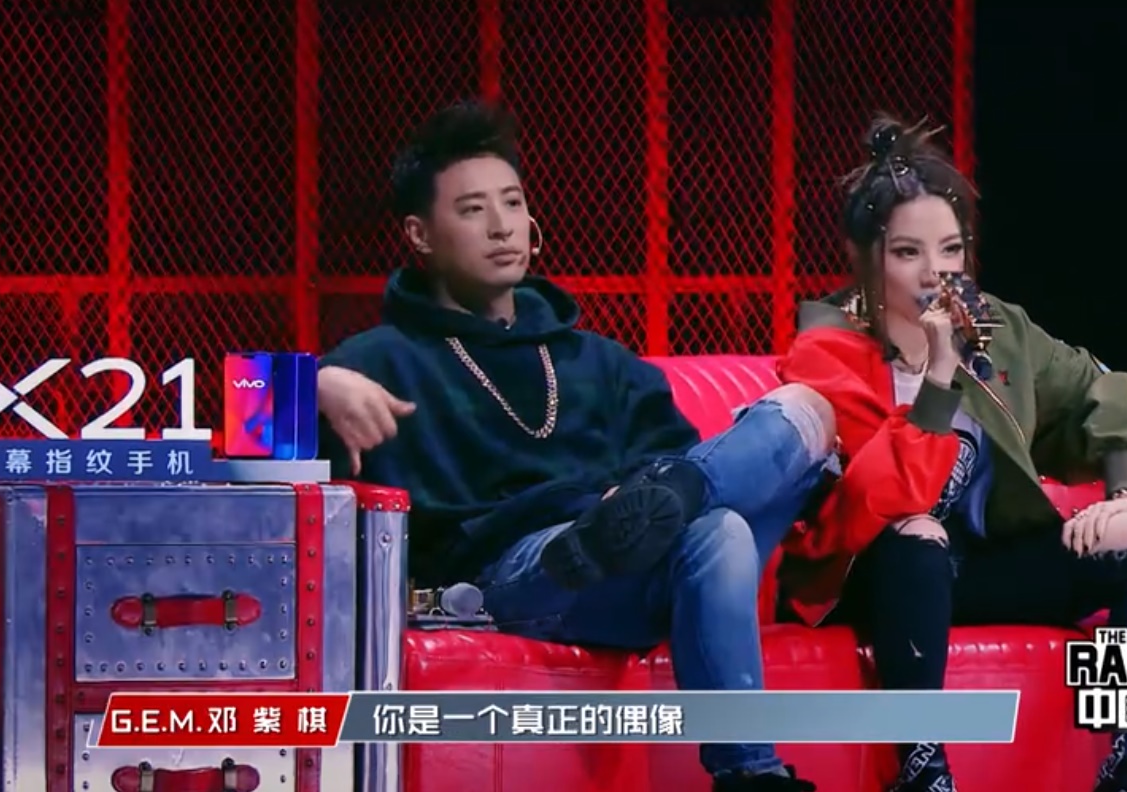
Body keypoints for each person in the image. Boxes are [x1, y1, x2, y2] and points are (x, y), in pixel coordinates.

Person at [317, 99, 835, 791]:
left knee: (795, 424)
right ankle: (747, 758)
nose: (502, 225)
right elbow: (253, 441)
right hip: (512, 575)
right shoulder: (379, 361)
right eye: (473, 209)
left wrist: (642, 495)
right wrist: (313, 384)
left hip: (639, 571)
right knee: (716, 523)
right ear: (421, 234)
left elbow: (672, 447)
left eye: (512, 202)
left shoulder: (599, 361)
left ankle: (749, 777)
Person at [774, 117, 1127, 792]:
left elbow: (1099, 387)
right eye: (908, 252)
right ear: (865, 257)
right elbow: (884, 496)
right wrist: (939, 373)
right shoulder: (830, 345)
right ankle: (921, 768)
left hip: (986, 564)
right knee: (920, 533)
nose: (935, 273)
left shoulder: (993, 325)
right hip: (879, 572)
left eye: (951, 250)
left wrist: (1123, 492)